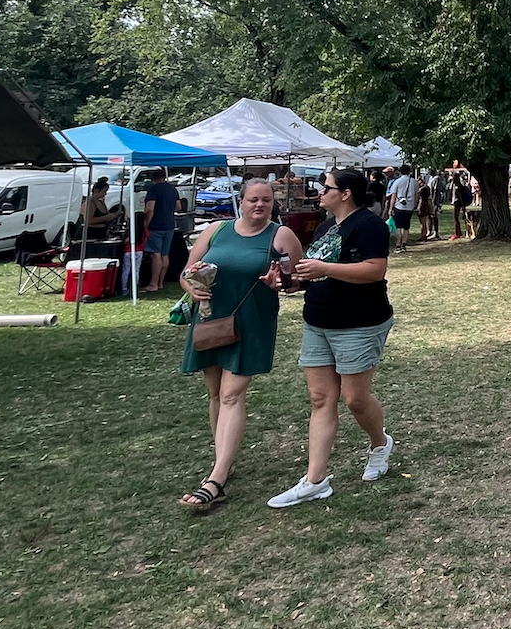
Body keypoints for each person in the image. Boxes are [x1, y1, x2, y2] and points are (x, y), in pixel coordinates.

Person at [269, 168, 395, 508]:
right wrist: (290, 283)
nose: (319, 193)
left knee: (355, 399)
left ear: (346, 194)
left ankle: (380, 443)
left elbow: (375, 270)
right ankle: (315, 481)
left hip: (359, 323)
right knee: (320, 399)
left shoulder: (370, 226)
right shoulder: (325, 228)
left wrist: (325, 269)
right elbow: (314, 275)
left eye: (326, 188)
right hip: (318, 320)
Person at [176, 178, 304, 512]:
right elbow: (186, 272)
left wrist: (281, 282)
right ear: (241, 201)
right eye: (253, 199)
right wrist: (191, 286)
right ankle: (224, 460)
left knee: (232, 394)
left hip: (251, 321)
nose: (260, 205)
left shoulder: (281, 236)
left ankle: (216, 480)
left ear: (273, 204)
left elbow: (298, 280)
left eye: (266, 200)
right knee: (216, 394)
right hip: (210, 319)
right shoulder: (216, 230)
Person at [140, 170, 180, 292]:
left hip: (156, 225)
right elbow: (178, 207)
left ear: (153, 179)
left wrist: (145, 224)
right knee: (164, 255)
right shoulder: (172, 189)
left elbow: (150, 209)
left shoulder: (153, 189)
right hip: (169, 225)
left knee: (155, 254)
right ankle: (161, 282)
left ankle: (153, 284)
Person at [388, 164, 417, 253]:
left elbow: (393, 195)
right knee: (406, 227)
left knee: (399, 227)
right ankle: (404, 244)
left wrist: (390, 208)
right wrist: (414, 205)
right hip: (409, 207)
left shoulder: (397, 181)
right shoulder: (414, 181)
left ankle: (398, 245)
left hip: (399, 206)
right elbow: (416, 195)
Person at [450, 169, 472, 239]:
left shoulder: (458, 187)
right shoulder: (459, 185)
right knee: (457, 218)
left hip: (458, 203)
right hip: (458, 203)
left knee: (456, 218)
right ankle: (460, 232)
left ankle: (458, 233)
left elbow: (460, 197)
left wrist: (463, 206)